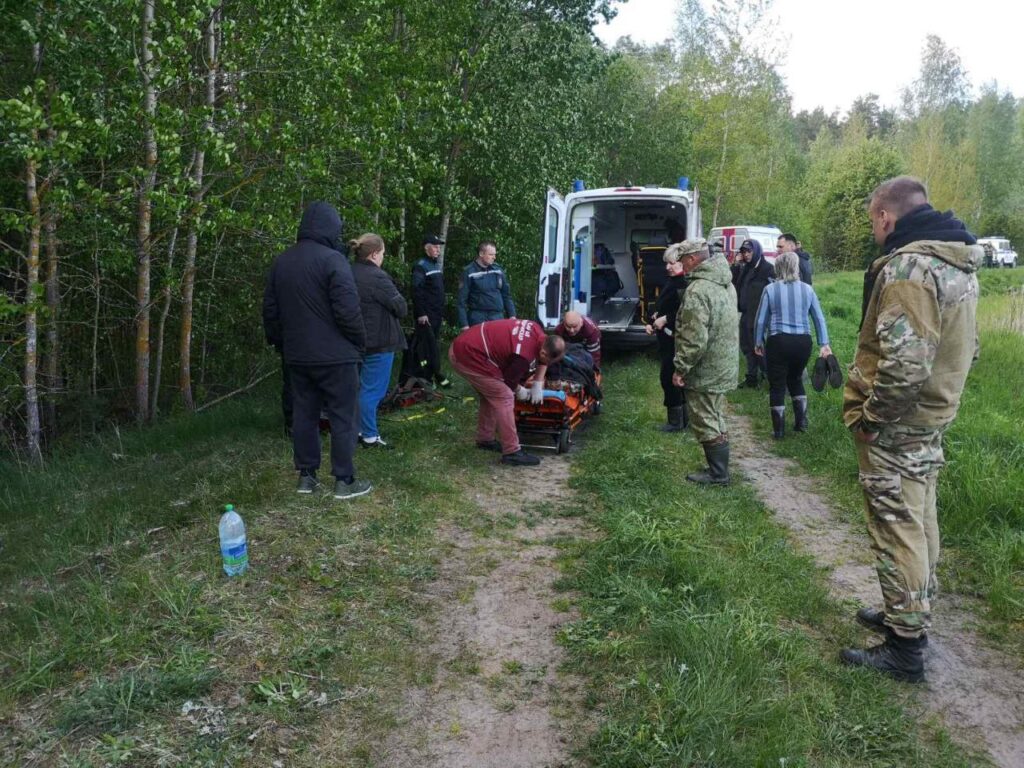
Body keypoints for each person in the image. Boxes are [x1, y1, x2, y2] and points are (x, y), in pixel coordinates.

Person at [840, 176, 981, 682]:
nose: (874, 228)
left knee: (897, 526)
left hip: (898, 426)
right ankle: (909, 608)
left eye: (873, 219)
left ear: (885, 216)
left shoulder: (909, 268)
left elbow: (904, 365)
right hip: (931, 416)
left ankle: (904, 648)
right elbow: (969, 346)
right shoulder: (955, 262)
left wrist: (872, 420)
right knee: (920, 519)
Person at [262, 201, 371, 500]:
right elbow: (348, 311)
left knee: (304, 416)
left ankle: (306, 477)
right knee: (343, 416)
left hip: (297, 356)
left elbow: (270, 311)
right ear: (332, 228)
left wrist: (282, 345)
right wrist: (360, 342)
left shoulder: (281, 262)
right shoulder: (334, 261)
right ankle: (344, 480)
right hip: (337, 357)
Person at [448, 318, 565, 466]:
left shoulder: (537, 331)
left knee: (490, 393)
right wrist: (520, 390)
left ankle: (485, 440)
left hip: (467, 344)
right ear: (543, 352)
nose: (549, 365)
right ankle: (512, 452)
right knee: (504, 396)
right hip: (467, 354)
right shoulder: (522, 356)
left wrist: (537, 383)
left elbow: (543, 359)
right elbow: (509, 381)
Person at [670, 239, 739, 484]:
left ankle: (718, 474)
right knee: (715, 414)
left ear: (692, 259)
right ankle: (719, 468)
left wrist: (680, 368)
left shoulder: (698, 290)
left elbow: (694, 338)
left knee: (704, 418)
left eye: (682, 260)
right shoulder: (726, 283)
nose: (680, 265)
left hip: (705, 367)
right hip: (724, 362)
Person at [753, 251, 832, 438]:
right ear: (796, 267)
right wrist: (824, 343)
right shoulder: (808, 289)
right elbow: (819, 318)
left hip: (778, 340)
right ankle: (801, 423)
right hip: (803, 341)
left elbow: (761, 319)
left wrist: (758, 341)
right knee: (795, 378)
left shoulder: (770, 289)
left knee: (777, 384)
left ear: (778, 268)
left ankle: (778, 431)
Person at [351, 233, 407, 449]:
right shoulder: (377, 277)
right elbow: (400, 307)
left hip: (354, 340)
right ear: (374, 254)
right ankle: (370, 436)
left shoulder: (348, 271)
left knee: (358, 388)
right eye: (383, 253)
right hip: (380, 340)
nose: (383, 257)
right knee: (373, 391)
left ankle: (356, 429)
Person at [645, 246, 690, 432]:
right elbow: (664, 305)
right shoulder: (673, 281)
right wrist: (653, 318)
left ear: (682, 263)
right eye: (667, 264)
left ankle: (677, 422)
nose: (667, 267)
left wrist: (666, 319)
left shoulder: (683, 284)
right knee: (669, 376)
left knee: (669, 377)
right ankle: (682, 420)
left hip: (676, 340)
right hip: (665, 338)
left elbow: (685, 312)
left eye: (671, 263)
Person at [411, 234, 451, 387]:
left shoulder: (434, 265)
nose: (438, 250)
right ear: (426, 248)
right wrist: (421, 313)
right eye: (435, 246)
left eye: (439, 247)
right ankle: (424, 377)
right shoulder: (420, 265)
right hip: (426, 316)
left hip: (436, 314)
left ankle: (434, 374)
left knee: (433, 346)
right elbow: (416, 290)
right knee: (425, 348)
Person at [457, 240, 516, 330]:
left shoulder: (498, 270)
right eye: (491, 254)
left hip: (497, 317)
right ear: (481, 254)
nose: (494, 257)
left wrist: (512, 315)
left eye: (495, 254)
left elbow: (506, 295)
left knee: (498, 344)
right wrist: (464, 325)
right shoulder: (469, 272)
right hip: (478, 318)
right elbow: (461, 301)